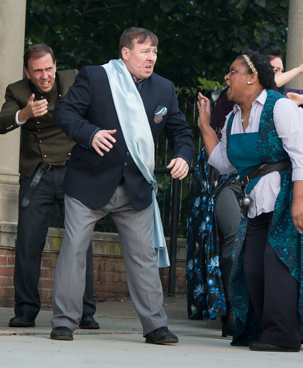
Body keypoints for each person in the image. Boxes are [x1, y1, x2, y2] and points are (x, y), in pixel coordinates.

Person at [49, 27, 194, 343]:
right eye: (145, 51)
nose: (151, 57)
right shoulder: (96, 77)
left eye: (155, 51)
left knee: (144, 256)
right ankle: (63, 322)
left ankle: (155, 326)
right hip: (89, 182)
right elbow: (64, 112)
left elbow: (181, 132)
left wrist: (184, 155)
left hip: (135, 187)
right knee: (74, 249)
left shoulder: (164, 89)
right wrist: (90, 134)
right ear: (125, 53)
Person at [196, 50, 303, 352]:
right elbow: (222, 162)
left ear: (252, 77)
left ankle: (283, 335)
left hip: (293, 190)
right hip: (260, 197)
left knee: (278, 260)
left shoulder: (280, 106)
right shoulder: (232, 119)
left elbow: (302, 155)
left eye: (232, 71)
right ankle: (264, 329)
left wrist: (299, 200)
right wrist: (205, 126)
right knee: (252, 264)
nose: (226, 77)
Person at [0, 44, 99, 330]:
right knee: (28, 244)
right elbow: (0, 124)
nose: (44, 76)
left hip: (73, 173)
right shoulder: (16, 91)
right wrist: (25, 114)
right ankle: (26, 310)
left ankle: (86, 311)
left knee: (81, 243)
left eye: (49, 68)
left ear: (56, 65)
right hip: (37, 175)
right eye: (37, 70)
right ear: (27, 72)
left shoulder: (75, 79)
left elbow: (98, 110)